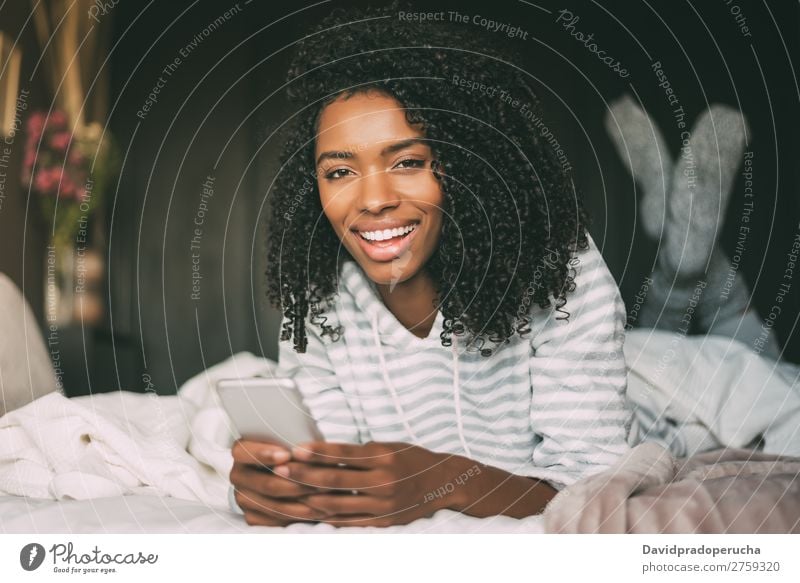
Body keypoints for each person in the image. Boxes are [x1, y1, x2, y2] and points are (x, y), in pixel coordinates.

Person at [229, 5, 633, 527]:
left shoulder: (558, 271)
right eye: (340, 171)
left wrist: (438, 481)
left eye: (408, 162)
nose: (372, 200)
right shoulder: (319, 300)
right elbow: (334, 466)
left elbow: (590, 490)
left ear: (465, 163)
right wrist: (285, 490)